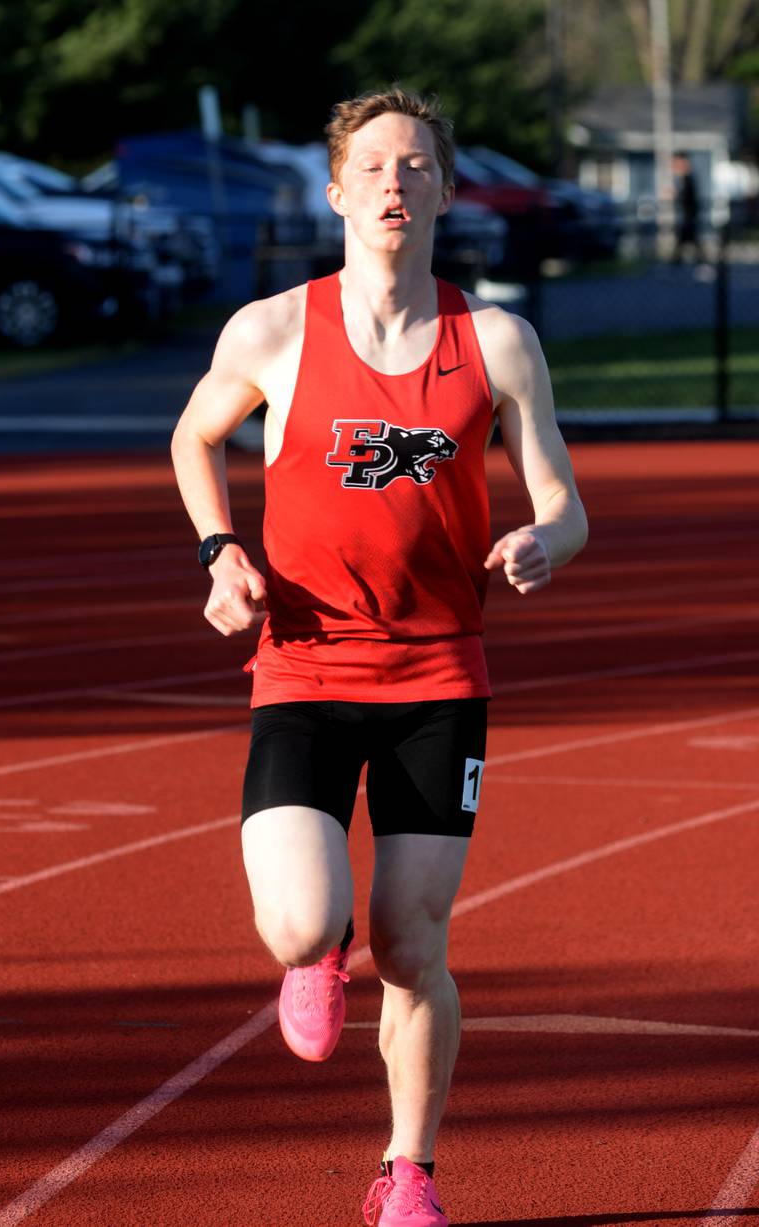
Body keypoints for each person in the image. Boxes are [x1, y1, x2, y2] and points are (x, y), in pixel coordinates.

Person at [171, 87, 588, 1227]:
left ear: (447, 191)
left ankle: (406, 1172)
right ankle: (317, 951)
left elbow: (562, 500)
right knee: (305, 925)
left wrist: (541, 540)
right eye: (372, 166)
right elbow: (194, 434)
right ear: (336, 190)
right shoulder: (270, 330)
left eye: (415, 166)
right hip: (302, 667)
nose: (393, 183)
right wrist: (220, 552)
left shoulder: (493, 340)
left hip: (437, 679)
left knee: (413, 944)